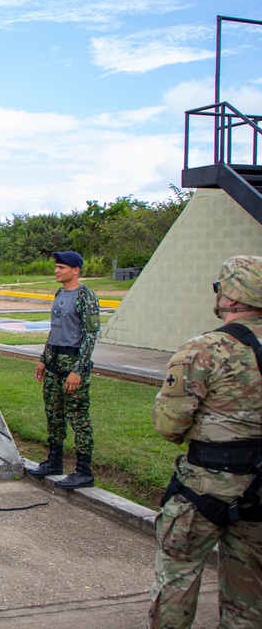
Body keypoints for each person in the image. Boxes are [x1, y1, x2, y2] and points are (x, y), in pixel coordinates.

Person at [147, 255, 262, 628]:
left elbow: (169, 424)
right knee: (249, 595)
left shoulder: (204, 350)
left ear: (228, 297)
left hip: (205, 486)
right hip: (258, 489)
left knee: (177, 577)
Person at [26, 251, 101, 489]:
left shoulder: (86, 296)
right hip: (54, 361)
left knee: (78, 417)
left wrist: (78, 370)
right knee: (54, 415)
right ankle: (54, 461)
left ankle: (83, 470)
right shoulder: (59, 294)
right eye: (56, 267)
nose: (57, 271)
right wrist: (43, 359)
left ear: (75, 270)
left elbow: (90, 336)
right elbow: (55, 329)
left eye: (62, 267)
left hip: (73, 362)